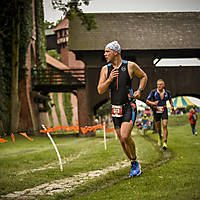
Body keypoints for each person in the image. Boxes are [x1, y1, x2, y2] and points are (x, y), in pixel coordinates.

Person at [97, 41, 147, 177]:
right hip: (115, 109)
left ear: (115, 52)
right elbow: (100, 90)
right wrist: (109, 80)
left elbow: (143, 76)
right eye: (105, 51)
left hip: (128, 106)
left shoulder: (130, 66)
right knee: (122, 139)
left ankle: (135, 163)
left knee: (125, 136)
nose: (105, 54)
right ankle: (133, 163)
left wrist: (139, 90)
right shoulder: (105, 69)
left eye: (107, 51)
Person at [146, 79, 174, 150]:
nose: (159, 86)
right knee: (158, 128)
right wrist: (153, 103)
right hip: (156, 110)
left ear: (163, 85)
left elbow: (170, 100)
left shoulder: (167, 92)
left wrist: (172, 106)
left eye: (161, 84)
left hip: (164, 109)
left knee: (164, 125)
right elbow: (147, 100)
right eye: (158, 84)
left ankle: (165, 142)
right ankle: (159, 136)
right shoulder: (153, 92)